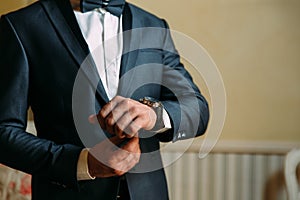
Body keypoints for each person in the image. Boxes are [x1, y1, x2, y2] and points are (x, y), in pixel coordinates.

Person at [0, 0, 209, 199]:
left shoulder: (154, 26)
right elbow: (4, 131)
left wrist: (154, 115)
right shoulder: (21, 26)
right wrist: (83, 163)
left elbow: (197, 109)